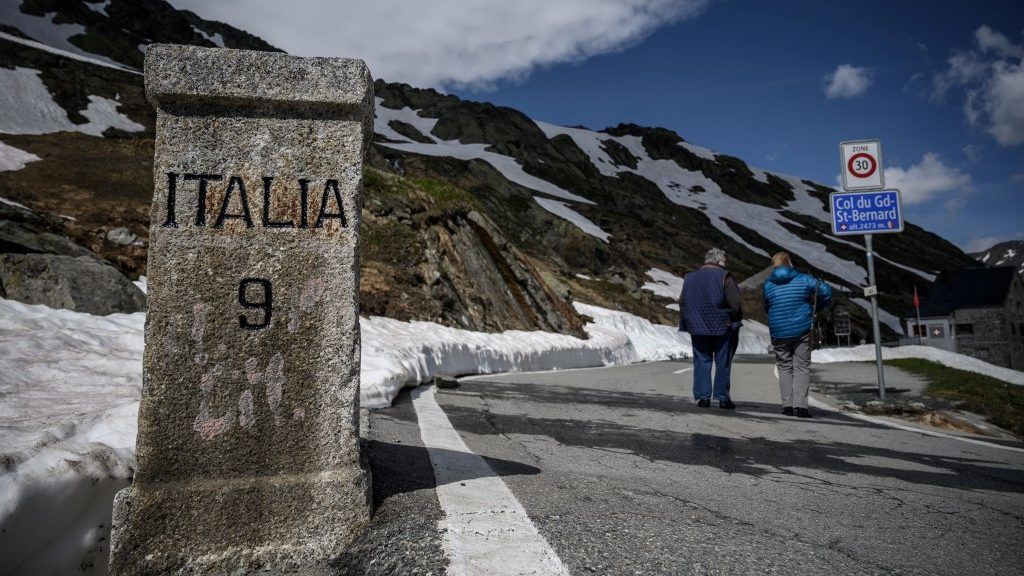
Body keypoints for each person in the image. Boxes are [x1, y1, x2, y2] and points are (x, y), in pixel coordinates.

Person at [762, 252, 832, 418]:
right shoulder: (804, 279)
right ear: (789, 263)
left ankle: (787, 406)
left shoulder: (768, 284)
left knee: (784, 367)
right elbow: (826, 292)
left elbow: (766, 305)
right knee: (801, 367)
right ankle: (801, 407)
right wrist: (815, 307)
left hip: (779, 332)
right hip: (802, 329)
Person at [678, 248, 743, 409]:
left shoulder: (690, 277)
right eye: (724, 260)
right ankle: (722, 398)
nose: (726, 263)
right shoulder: (724, 276)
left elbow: (683, 301)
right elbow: (735, 304)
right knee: (722, 362)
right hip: (722, 327)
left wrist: (690, 320)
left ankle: (703, 397)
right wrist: (734, 320)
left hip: (698, 327)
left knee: (701, 361)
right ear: (718, 261)